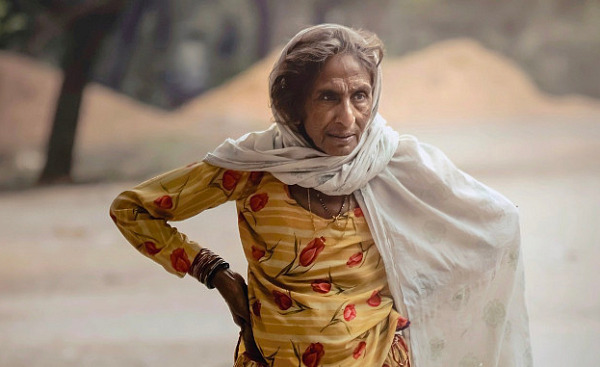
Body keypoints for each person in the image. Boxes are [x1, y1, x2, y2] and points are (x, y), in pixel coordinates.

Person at [110, 24, 531, 367]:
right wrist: (215, 274)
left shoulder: (393, 163)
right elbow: (132, 210)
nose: (348, 118)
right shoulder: (253, 166)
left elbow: (496, 224)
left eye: (360, 96)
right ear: (293, 104)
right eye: (328, 97)